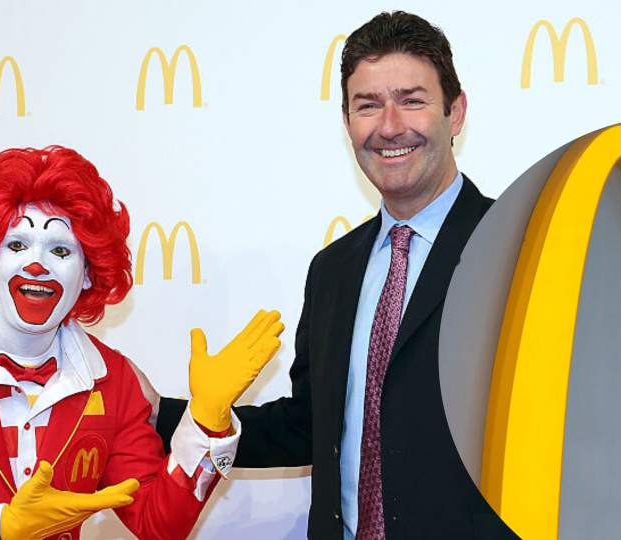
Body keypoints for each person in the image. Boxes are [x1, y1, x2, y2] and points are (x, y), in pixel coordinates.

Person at [154, 11, 518, 540]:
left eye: (412, 100)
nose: (390, 125)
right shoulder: (332, 270)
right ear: (347, 122)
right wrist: (162, 415)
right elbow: (308, 428)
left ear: (455, 113)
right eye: (368, 105)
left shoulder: (518, 248)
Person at [0, 146, 283, 540]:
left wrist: (205, 423)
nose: (36, 265)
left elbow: (158, 524)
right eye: (16, 245)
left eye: (60, 250)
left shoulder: (115, 381)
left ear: (90, 273)